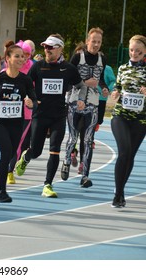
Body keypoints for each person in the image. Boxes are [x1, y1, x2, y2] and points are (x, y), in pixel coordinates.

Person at [15, 34, 87, 198]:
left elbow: (81, 86)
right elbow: (25, 84)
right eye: (45, 47)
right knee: (36, 151)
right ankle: (26, 158)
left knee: (55, 150)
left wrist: (81, 99)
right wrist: (28, 98)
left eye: (51, 47)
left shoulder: (68, 69)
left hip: (59, 115)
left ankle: (47, 184)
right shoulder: (38, 66)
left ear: (60, 49)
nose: (46, 50)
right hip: (40, 114)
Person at [0, 45, 36, 204]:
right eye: (17, 56)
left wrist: (30, 103)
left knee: (8, 155)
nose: (21, 59)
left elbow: (34, 100)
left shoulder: (25, 79)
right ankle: (1, 190)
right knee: (6, 152)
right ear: (8, 59)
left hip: (16, 123)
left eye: (23, 57)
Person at [61, 28, 109, 188]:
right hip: (75, 102)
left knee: (88, 140)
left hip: (92, 104)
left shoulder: (102, 58)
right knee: (73, 138)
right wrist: (84, 83)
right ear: (87, 41)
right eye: (93, 41)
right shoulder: (77, 57)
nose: (96, 44)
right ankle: (67, 161)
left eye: (99, 42)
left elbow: (100, 79)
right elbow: (67, 78)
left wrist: (104, 87)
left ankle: (85, 176)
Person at [110, 35, 146, 208]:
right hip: (121, 116)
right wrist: (115, 93)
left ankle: (121, 191)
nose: (134, 53)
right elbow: (117, 86)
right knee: (124, 152)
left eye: (138, 51)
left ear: (144, 52)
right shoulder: (123, 68)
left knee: (130, 155)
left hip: (140, 119)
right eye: (132, 50)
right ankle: (117, 194)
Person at [7, 40, 34, 184]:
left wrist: (33, 101)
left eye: (27, 55)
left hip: (25, 114)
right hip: (6, 114)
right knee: (6, 143)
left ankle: (9, 171)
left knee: (18, 143)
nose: (23, 58)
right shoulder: (6, 71)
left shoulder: (32, 70)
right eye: (20, 55)